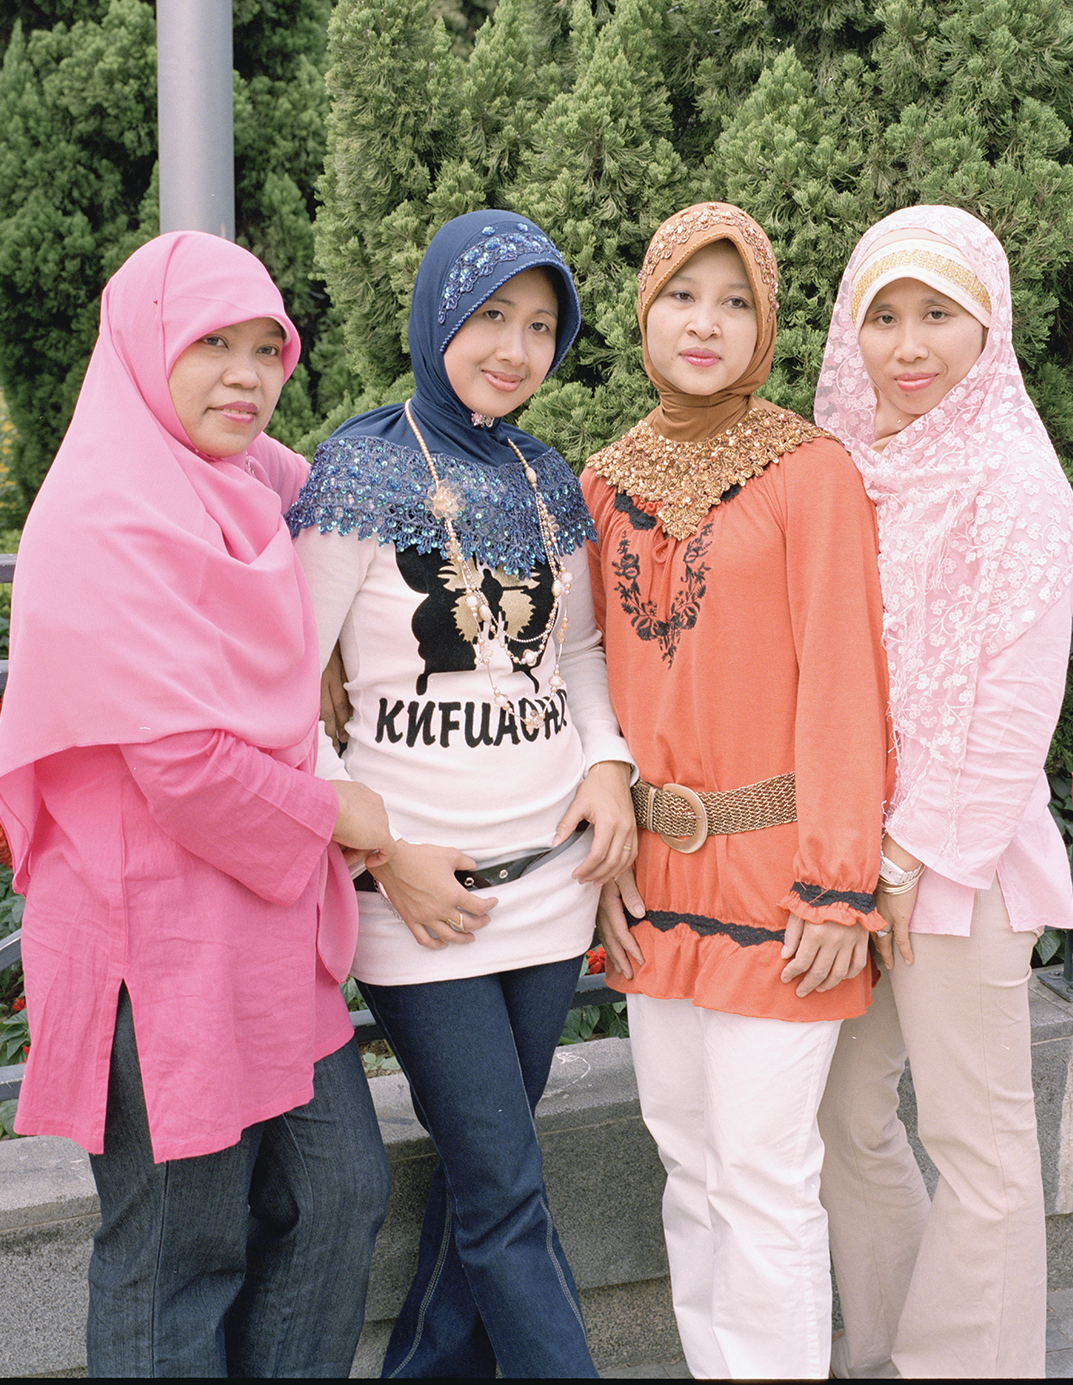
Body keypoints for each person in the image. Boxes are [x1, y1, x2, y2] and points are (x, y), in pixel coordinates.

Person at [0, 231, 394, 1377]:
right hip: (153, 944)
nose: (247, 375)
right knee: (179, 1249)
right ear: (146, 342)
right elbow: (184, 766)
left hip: (260, 924)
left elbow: (361, 496)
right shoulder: (103, 514)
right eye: (213, 344)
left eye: (269, 347)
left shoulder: (247, 478)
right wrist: (344, 816)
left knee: (341, 1192)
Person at [288, 210, 638, 1379]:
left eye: (541, 326)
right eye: (491, 315)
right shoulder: (361, 468)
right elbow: (282, 692)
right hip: (421, 896)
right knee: (502, 1186)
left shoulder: (546, 479)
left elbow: (576, 654)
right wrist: (383, 853)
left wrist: (607, 762)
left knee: (488, 1178)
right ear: (440, 312)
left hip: (550, 885)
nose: (515, 348)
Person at [585, 202, 892, 1380]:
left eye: (733, 301)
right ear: (645, 311)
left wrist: (838, 883)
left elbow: (845, 682)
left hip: (782, 880)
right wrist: (603, 857)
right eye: (681, 295)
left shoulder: (811, 471)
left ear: (766, 324)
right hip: (655, 879)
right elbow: (584, 682)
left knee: (764, 1174)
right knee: (689, 1161)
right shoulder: (604, 482)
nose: (704, 323)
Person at [810, 205, 1073, 1379]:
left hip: (957, 866)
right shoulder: (851, 467)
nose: (909, 344)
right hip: (854, 859)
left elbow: (1012, 712)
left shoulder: (1015, 479)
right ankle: (884, 1343)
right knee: (842, 1112)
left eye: (938, 314)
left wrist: (910, 858)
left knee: (977, 1138)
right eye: (884, 316)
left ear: (988, 326)